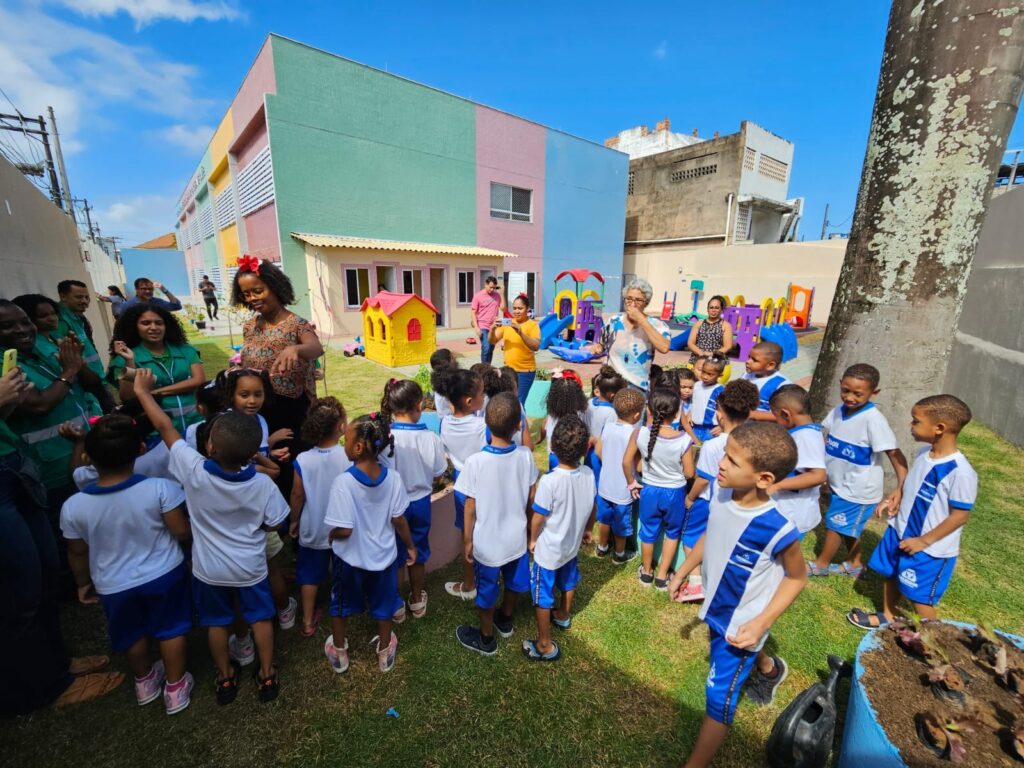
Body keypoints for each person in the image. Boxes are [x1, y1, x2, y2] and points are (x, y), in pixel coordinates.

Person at [133, 368, 289, 704]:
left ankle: (225, 677)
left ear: (211, 444)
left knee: (217, 623)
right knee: (260, 618)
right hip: (250, 567)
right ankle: (266, 674)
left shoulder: (193, 470)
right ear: (252, 453)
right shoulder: (261, 483)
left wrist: (143, 393)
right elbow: (277, 523)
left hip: (207, 571)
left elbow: (165, 428)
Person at [667, 423, 807, 768]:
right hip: (716, 608)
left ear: (764, 479)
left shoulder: (777, 528)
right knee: (733, 662)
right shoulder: (723, 491)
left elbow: (797, 577)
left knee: (718, 697)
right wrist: (683, 571)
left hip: (741, 624)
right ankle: (770, 670)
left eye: (733, 459)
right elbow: (711, 535)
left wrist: (760, 623)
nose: (722, 463)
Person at [0, 366, 122, 715]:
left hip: (11, 467)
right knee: (17, 586)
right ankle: (40, 686)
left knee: (42, 571)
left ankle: (57, 662)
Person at [59, 414, 194, 714]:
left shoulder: (73, 506)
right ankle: (175, 687)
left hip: (112, 584)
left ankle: (144, 681)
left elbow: (77, 552)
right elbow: (181, 531)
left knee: (132, 632)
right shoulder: (160, 489)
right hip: (164, 574)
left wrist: (82, 582)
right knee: (171, 629)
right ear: (141, 451)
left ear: (87, 457)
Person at [849, 395, 977, 630]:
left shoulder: (961, 473)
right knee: (892, 573)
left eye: (915, 421)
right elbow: (913, 484)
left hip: (928, 548)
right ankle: (888, 616)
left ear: (940, 428)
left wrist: (923, 541)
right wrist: (898, 493)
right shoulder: (923, 453)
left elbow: (960, 515)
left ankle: (933, 641)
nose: (911, 426)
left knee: (919, 597)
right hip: (899, 531)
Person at [0, 300, 101, 549]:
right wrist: (68, 371)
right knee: (66, 537)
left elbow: (92, 383)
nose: (23, 329)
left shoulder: (42, 353)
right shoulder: (7, 368)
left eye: (25, 322)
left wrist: (78, 364)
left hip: (86, 454)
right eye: (8, 326)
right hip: (51, 469)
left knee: (96, 528)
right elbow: (39, 404)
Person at [323, 413, 416, 674]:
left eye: (346, 439)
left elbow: (344, 529)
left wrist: (331, 536)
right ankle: (385, 652)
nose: (343, 442)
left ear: (359, 447)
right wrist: (409, 545)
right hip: (384, 559)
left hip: (349, 560)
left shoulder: (343, 482)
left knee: (340, 604)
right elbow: (399, 520)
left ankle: (339, 650)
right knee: (384, 606)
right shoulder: (394, 479)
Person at [455, 393, 539, 656]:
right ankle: (505, 618)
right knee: (514, 583)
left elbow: (470, 506)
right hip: (516, 540)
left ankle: (486, 638)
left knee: (487, 590)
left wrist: (467, 539)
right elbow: (532, 496)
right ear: (518, 426)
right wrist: (528, 529)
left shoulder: (475, 462)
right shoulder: (525, 456)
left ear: (486, 425)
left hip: (488, 545)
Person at [809, 364, 908, 578]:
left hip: (858, 490)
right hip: (839, 484)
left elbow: (895, 455)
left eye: (858, 394)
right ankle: (854, 564)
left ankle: (821, 565)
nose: (849, 397)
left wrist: (901, 487)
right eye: (845, 390)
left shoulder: (874, 420)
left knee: (835, 525)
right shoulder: (838, 411)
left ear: (874, 393)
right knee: (847, 526)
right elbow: (829, 439)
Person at [233, 256, 324, 491]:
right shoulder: (250, 327)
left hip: (291, 409)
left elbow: (316, 348)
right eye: (246, 294)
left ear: (275, 287)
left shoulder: (297, 324)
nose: (252, 298)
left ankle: (295, 513)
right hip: (257, 407)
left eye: (258, 291)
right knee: (263, 459)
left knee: (290, 464)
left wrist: (296, 348)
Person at [678, 379, 760, 603]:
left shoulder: (714, 446)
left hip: (706, 501)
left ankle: (695, 583)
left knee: (691, 539)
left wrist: (690, 497)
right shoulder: (752, 439)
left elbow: (703, 479)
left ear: (721, 414)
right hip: (735, 503)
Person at [525, 416, 595, 661]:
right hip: (571, 546)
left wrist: (533, 540)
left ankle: (544, 644)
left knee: (542, 594)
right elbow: (592, 506)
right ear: (586, 448)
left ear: (551, 447)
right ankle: (563, 615)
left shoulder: (550, 482)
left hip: (549, 550)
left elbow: (537, 517)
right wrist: (588, 529)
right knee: (568, 579)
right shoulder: (588, 474)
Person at [380, 379, 446, 620]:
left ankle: (397, 605)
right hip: (419, 504)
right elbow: (439, 472)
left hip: (393, 506)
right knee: (417, 552)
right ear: (419, 406)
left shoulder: (386, 438)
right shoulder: (431, 439)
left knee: (396, 556)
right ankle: (417, 600)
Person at [289, 397, 350, 637]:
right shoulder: (347, 456)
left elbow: (297, 494)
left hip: (312, 526)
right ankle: (342, 608)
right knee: (341, 570)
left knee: (309, 575)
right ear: (341, 427)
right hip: (342, 527)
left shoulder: (303, 459)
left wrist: (294, 520)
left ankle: (306, 621)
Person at [624, 388, 695, 590]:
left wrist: (631, 481)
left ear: (649, 410)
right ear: (675, 414)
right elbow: (690, 474)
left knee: (648, 532)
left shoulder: (639, 433)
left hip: (649, 491)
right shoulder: (683, 440)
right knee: (672, 533)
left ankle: (646, 572)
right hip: (675, 493)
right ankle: (662, 576)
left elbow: (626, 461)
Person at [108, 304, 206, 434]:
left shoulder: (186, 350)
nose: (153, 327)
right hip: (156, 431)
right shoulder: (125, 359)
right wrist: (129, 360)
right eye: (145, 323)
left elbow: (199, 380)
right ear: (135, 326)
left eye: (159, 323)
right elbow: (128, 397)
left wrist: (153, 393)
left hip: (195, 423)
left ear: (166, 326)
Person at [437, 368, 487, 601]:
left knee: (466, 533)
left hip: (460, 485)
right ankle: (484, 576)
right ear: (469, 401)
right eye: (482, 394)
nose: (485, 398)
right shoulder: (482, 427)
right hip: (484, 484)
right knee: (484, 530)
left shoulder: (445, 423)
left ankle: (469, 583)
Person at [589, 277, 671, 392]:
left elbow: (664, 347)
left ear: (646, 303)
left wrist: (642, 320)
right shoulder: (614, 321)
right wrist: (598, 347)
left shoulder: (657, 325)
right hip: (611, 384)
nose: (632, 304)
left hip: (637, 387)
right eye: (629, 299)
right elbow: (601, 344)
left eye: (638, 300)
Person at [767, 385, 828, 538]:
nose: (776, 421)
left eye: (776, 417)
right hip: (786, 512)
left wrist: (776, 486)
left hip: (794, 516)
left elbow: (818, 476)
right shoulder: (802, 433)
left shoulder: (806, 437)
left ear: (785, 414)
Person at [594, 388, 645, 563]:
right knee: (621, 523)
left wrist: (610, 461)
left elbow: (598, 451)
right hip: (623, 488)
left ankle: (602, 547)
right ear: (637, 415)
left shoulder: (608, 427)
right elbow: (638, 465)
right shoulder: (635, 433)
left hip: (605, 484)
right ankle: (620, 554)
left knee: (605, 519)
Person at [55, 280, 113, 413]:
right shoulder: (60, 320)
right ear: (63, 297)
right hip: (86, 383)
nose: (84, 301)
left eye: (87, 297)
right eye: (79, 297)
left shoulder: (77, 318)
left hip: (96, 378)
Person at [488, 294, 540, 405]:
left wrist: (521, 333)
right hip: (508, 371)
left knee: (518, 403)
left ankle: (521, 422)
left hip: (525, 372)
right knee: (508, 401)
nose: (516, 311)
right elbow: (492, 341)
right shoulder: (508, 323)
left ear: (527, 309)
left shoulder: (532, 325)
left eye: (520, 308)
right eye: (515, 308)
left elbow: (536, 346)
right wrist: (492, 328)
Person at [585, 365, 626, 488]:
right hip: (602, 454)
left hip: (588, 451)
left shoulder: (589, 402)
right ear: (613, 396)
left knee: (590, 483)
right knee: (600, 484)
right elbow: (609, 437)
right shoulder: (611, 413)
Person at [542, 372, 587, 471]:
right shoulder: (579, 416)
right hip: (573, 459)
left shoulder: (551, 417)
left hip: (555, 457)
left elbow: (544, 430)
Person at [742, 341, 791, 421]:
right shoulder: (746, 375)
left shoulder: (781, 385)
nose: (747, 361)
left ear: (770, 365)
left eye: (754, 360)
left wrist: (753, 415)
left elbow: (784, 415)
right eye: (749, 357)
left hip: (764, 430)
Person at [687, 295, 734, 366]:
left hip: (717, 360)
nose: (713, 310)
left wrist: (712, 354)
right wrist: (701, 353)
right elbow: (690, 343)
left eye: (717, 308)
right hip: (698, 358)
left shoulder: (726, 325)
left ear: (721, 310)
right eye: (711, 307)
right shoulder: (698, 324)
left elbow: (727, 346)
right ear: (707, 309)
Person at [690, 356, 727, 443]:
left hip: (711, 431)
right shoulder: (696, 385)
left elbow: (726, 411)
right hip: (694, 428)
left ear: (720, 375)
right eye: (703, 372)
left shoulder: (720, 390)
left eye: (710, 374)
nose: (705, 377)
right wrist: (688, 414)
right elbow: (691, 402)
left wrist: (722, 427)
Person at [471, 276, 506, 364]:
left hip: (494, 326)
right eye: (490, 287)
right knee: (486, 347)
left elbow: (503, 309)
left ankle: (488, 367)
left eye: (494, 288)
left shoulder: (497, 295)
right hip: (483, 326)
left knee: (491, 348)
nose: (492, 290)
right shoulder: (478, 296)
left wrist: (502, 294)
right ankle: (484, 368)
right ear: (485, 284)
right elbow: (473, 313)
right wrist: (476, 328)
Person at [119, 277, 183, 315]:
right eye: (144, 289)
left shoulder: (158, 303)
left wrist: (164, 289)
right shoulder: (128, 306)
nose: (148, 291)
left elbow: (176, 306)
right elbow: (121, 324)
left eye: (150, 289)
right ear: (136, 289)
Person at [429, 348, 457, 418]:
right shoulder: (453, 382)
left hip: (444, 421)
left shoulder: (437, 381)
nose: (455, 359)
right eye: (452, 357)